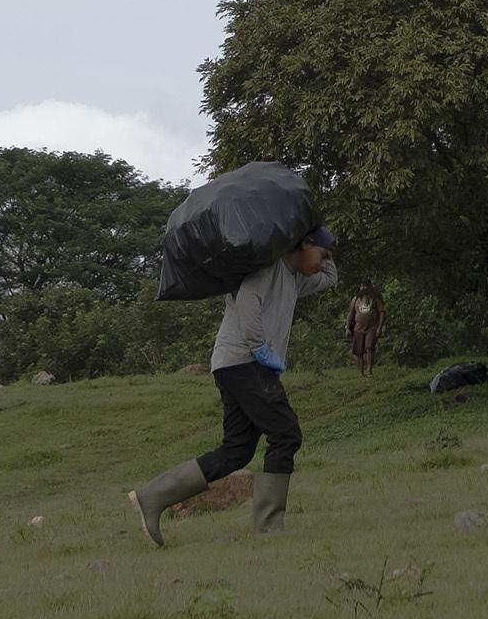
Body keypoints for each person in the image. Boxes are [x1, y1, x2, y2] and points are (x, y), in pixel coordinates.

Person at [127, 227, 340, 543]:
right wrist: (260, 350)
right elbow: (247, 302)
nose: (323, 263)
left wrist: (317, 230)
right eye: (322, 255)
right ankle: (269, 528)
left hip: (235, 364)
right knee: (286, 434)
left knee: (236, 451)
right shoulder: (264, 267)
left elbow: (330, 279)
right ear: (304, 245)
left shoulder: (296, 278)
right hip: (246, 362)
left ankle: (153, 496)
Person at [344, 284, 384, 378]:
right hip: (358, 328)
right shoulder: (355, 299)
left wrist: (380, 327)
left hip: (372, 327)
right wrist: (347, 327)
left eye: (365, 286)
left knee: (369, 347)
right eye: (362, 286)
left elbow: (382, 312)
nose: (363, 288)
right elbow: (351, 313)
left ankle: (369, 370)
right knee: (359, 352)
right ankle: (360, 373)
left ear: (370, 287)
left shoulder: (375, 299)